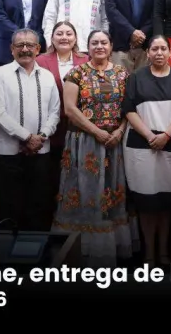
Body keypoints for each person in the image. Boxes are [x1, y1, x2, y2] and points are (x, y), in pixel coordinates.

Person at [53, 30, 133, 265]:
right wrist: (96, 131)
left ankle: (110, 248)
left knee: (110, 191)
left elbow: (129, 108)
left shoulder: (122, 73)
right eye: (94, 42)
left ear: (111, 46)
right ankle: (81, 248)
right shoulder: (76, 73)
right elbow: (69, 109)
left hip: (115, 142)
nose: (99, 46)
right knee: (85, 191)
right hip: (84, 142)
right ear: (87, 47)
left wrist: (119, 131)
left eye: (104, 42)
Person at [121, 35, 171, 266]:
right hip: (142, 145)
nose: (159, 53)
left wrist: (167, 135)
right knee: (147, 204)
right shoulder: (135, 77)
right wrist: (151, 136)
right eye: (154, 49)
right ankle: (149, 253)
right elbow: (129, 110)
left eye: (163, 49)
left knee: (166, 203)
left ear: (170, 52)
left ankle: (163, 252)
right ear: (147, 53)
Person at [0, 28, 61, 231]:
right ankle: (4, 257)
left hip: (41, 153)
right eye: (20, 45)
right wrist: (27, 137)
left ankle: (36, 256)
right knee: (8, 208)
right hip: (7, 154)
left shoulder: (47, 77)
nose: (25, 49)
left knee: (38, 206)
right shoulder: (0, 75)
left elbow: (55, 112)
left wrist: (41, 137)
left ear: (38, 49)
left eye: (30, 45)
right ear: (12, 49)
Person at [35, 21, 89, 201]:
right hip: (49, 124)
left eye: (68, 33)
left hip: (78, 124)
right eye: (59, 33)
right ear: (51, 38)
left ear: (75, 38)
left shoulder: (86, 60)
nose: (64, 37)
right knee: (51, 171)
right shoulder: (40, 61)